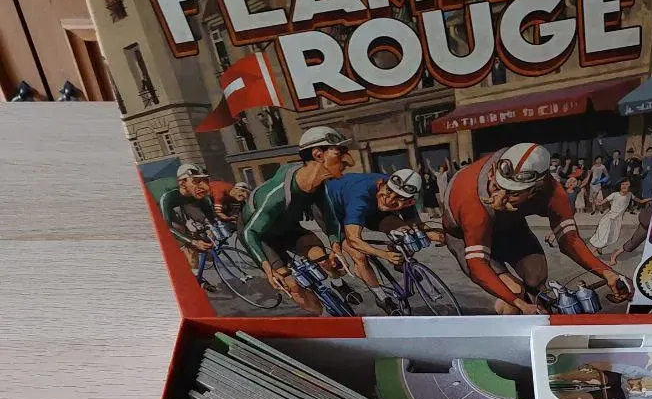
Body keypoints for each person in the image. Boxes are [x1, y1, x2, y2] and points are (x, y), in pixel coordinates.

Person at [442, 142, 630, 315]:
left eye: (513, 192)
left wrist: (607, 273)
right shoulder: (471, 199)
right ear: (493, 172)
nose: (500, 198)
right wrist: (520, 304)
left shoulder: (552, 192)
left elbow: (570, 240)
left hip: (509, 226)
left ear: (535, 189)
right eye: (497, 186)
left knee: (537, 279)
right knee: (515, 295)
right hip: (465, 234)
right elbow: (477, 264)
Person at [238, 126, 352, 315]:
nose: (349, 160)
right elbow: (250, 232)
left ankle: (338, 284)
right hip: (261, 236)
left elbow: (329, 217)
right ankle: (325, 317)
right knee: (293, 286)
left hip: (287, 227)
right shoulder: (277, 195)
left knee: (322, 256)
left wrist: (336, 247)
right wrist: (268, 270)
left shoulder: (317, 184)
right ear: (318, 155)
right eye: (340, 153)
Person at [325, 168, 445, 311]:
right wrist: (385, 254)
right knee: (360, 256)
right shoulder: (361, 195)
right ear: (381, 184)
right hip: (334, 211)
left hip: (372, 206)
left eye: (400, 198)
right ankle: (381, 297)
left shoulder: (402, 195)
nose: (390, 199)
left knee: (406, 231)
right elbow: (353, 239)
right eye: (389, 191)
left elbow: (415, 224)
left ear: (410, 200)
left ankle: (400, 264)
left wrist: (436, 234)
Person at [159, 162, 219, 278]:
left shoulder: (201, 197)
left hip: (184, 218)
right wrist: (192, 241)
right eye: (195, 181)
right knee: (190, 252)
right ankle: (193, 281)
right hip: (166, 223)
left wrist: (210, 228)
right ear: (182, 183)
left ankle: (196, 277)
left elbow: (210, 218)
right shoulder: (168, 197)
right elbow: (166, 227)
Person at [613, 144, 652, 262]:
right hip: (647, 218)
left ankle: (616, 254)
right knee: (635, 240)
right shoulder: (620, 193)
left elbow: (642, 200)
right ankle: (615, 254)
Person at [548, 361, 652, 399]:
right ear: (640, 377)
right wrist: (590, 366)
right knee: (591, 376)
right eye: (638, 382)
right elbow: (608, 365)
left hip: (622, 396)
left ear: (643, 393)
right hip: (619, 378)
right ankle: (555, 377)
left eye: (639, 388)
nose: (634, 386)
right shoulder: (635, 372)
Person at [589, 176, 633, 257]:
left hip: (617, 220)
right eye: (623, 184)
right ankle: (590, 255)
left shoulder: (630, 194)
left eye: (626, 184)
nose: (624, 186)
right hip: (609, 219)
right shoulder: (614, 195)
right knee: (604, 236)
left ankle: (599, 248)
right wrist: (594, 198)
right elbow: (599, 203)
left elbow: (641, 201)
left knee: (611, 237)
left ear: (630, 185)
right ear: (619, 185)